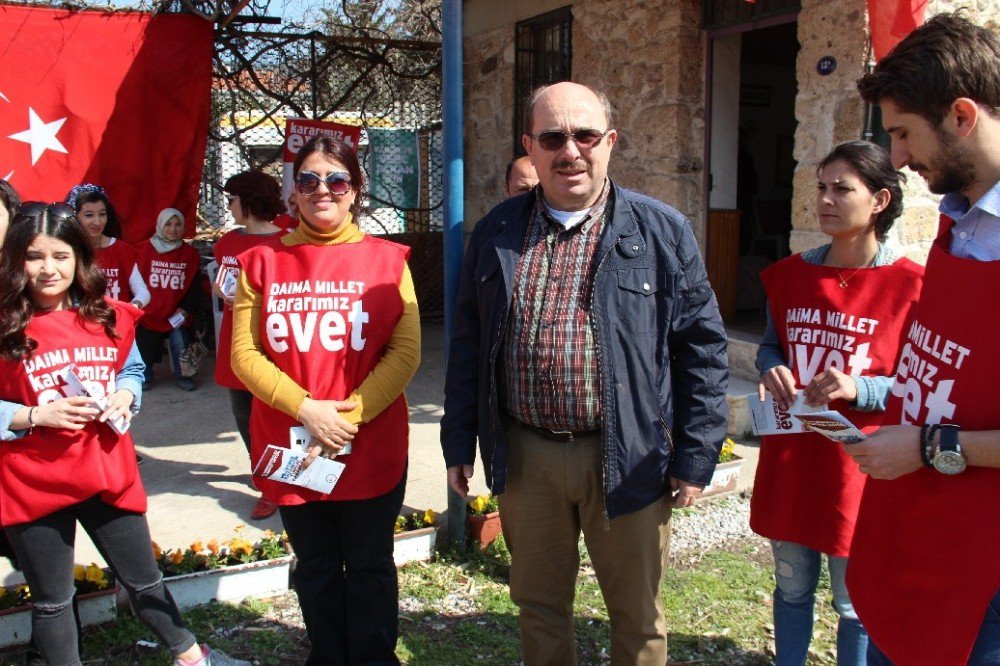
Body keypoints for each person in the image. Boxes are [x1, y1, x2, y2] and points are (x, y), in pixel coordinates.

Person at [440, 81, 729, 665]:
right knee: (540, 605)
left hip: (629, 456)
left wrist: (696, 454)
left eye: (585, 134)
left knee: (637, 615)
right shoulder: (496, 231)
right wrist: (458, 439)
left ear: (610, 142)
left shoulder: (660, 230)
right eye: (552, 136)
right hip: (528, 457)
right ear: (530, 145)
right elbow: (468, 344)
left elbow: (701, 348)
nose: (569, 149)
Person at [0, 203, 249, 666]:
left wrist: (127, 395)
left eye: (61, 255)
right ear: (17, 259)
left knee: (144, 579)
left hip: (105, 471)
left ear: (80, 258)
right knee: (52, 600)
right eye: (35, 256)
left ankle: (192, 657)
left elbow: (131, 367)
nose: (48, 269)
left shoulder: (109, 315)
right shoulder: (4, 323)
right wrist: (35, 416)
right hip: (31, 481)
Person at [846, 14, 1000, 665]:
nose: (900, 159)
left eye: (905, 134)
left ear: (962, 115)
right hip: (909, 546)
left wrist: (934, 447)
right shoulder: (958, 221)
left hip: (981, 588)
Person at [231, 135, 421, 664]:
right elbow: (245, 354)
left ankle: (373, 657)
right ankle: (328, 656)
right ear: (292, 193)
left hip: (369, 439)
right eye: (309, 180)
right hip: (295, 441)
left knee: (369, 563)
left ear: (356, 190)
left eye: (337, 180)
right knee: (314, 564)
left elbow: (405, 352)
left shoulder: (388, 260)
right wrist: (306, 409)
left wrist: (348, 417)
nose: (323, 190)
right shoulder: (259, 263)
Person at [751, 141, 923, 666]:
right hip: (792, 460)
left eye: (841, 188)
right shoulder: (790, 275)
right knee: (792, 587)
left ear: (879, 200)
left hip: (861, 465)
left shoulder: (912, 287)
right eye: (820, 187)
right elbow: (770, 343)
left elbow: (925, 386)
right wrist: (769, 367)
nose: (825, 199)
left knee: (854, 602)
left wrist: (861, 388)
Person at [214, 171, 285, 521]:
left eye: (232, 200)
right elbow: (222, 280)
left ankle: (278, 483)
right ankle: (265, 475)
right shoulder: (226, 243)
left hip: (276, 346)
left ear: (249, 201)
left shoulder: (288, 242)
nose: (229, 207)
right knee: (243, 413)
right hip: (235, 342)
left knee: (275, 415)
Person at [135, 208, 201, 391]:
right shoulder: (143, 250)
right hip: (148, 312)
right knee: (144, 344)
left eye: (177, 223)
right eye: (168, 224)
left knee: (180, 341)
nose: (173, 228)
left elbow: (194, 288)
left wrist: (184, 309)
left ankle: (185, 376)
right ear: (160, 225)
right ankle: (144, 377)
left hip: (176, 312)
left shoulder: (190, 255)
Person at [66, 184, 150, 308]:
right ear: (75, 217)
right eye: (89, 215)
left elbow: (143, 292)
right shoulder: (67, 251)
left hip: (115, 323)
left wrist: (131, 308)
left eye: (102, 214)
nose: (97, 222)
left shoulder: (122, 250)